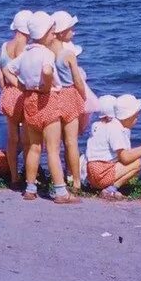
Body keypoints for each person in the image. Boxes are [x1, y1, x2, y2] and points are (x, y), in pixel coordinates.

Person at [4, 11, 79, 204]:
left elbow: (7, 69)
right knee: (53, 149)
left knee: (34, 148)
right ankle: (61, 192)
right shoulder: (46, 53)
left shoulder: (26, 53)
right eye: (52, 31)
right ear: (45, 33)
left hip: (29, 102)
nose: (54, 34)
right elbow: (47, 70)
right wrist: (46, 84)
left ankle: (30, 188)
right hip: (47, 102)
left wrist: (20, 85)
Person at [85, 95, 141, 200]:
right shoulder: (116, 129)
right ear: (128, 117)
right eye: (136, 116)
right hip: (101, 174)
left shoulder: (97, 126)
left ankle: (104, 187)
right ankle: (110, 189)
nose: (137, 118)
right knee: (137, 163)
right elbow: (125, 158)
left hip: (90, 173)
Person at [50, 10, 86, 192]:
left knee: (55, 144)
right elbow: (78, 81)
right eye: (71, 29)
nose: (74, 32)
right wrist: (84, 97)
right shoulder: (68, 55)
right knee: (71, 141)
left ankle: (60, 177)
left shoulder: (47, 53)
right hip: (70, 96)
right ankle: (77, 181)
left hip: (53, 97)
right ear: (62, 32)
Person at [0, 10, 31, 186]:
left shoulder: (4, 47)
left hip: (8, 95)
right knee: (27, 139)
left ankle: (13, 177)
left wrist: (7, 91)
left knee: (12, 138)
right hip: (23, 95)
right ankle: (29, 175)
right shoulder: (26, 48)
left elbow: (0, 76)